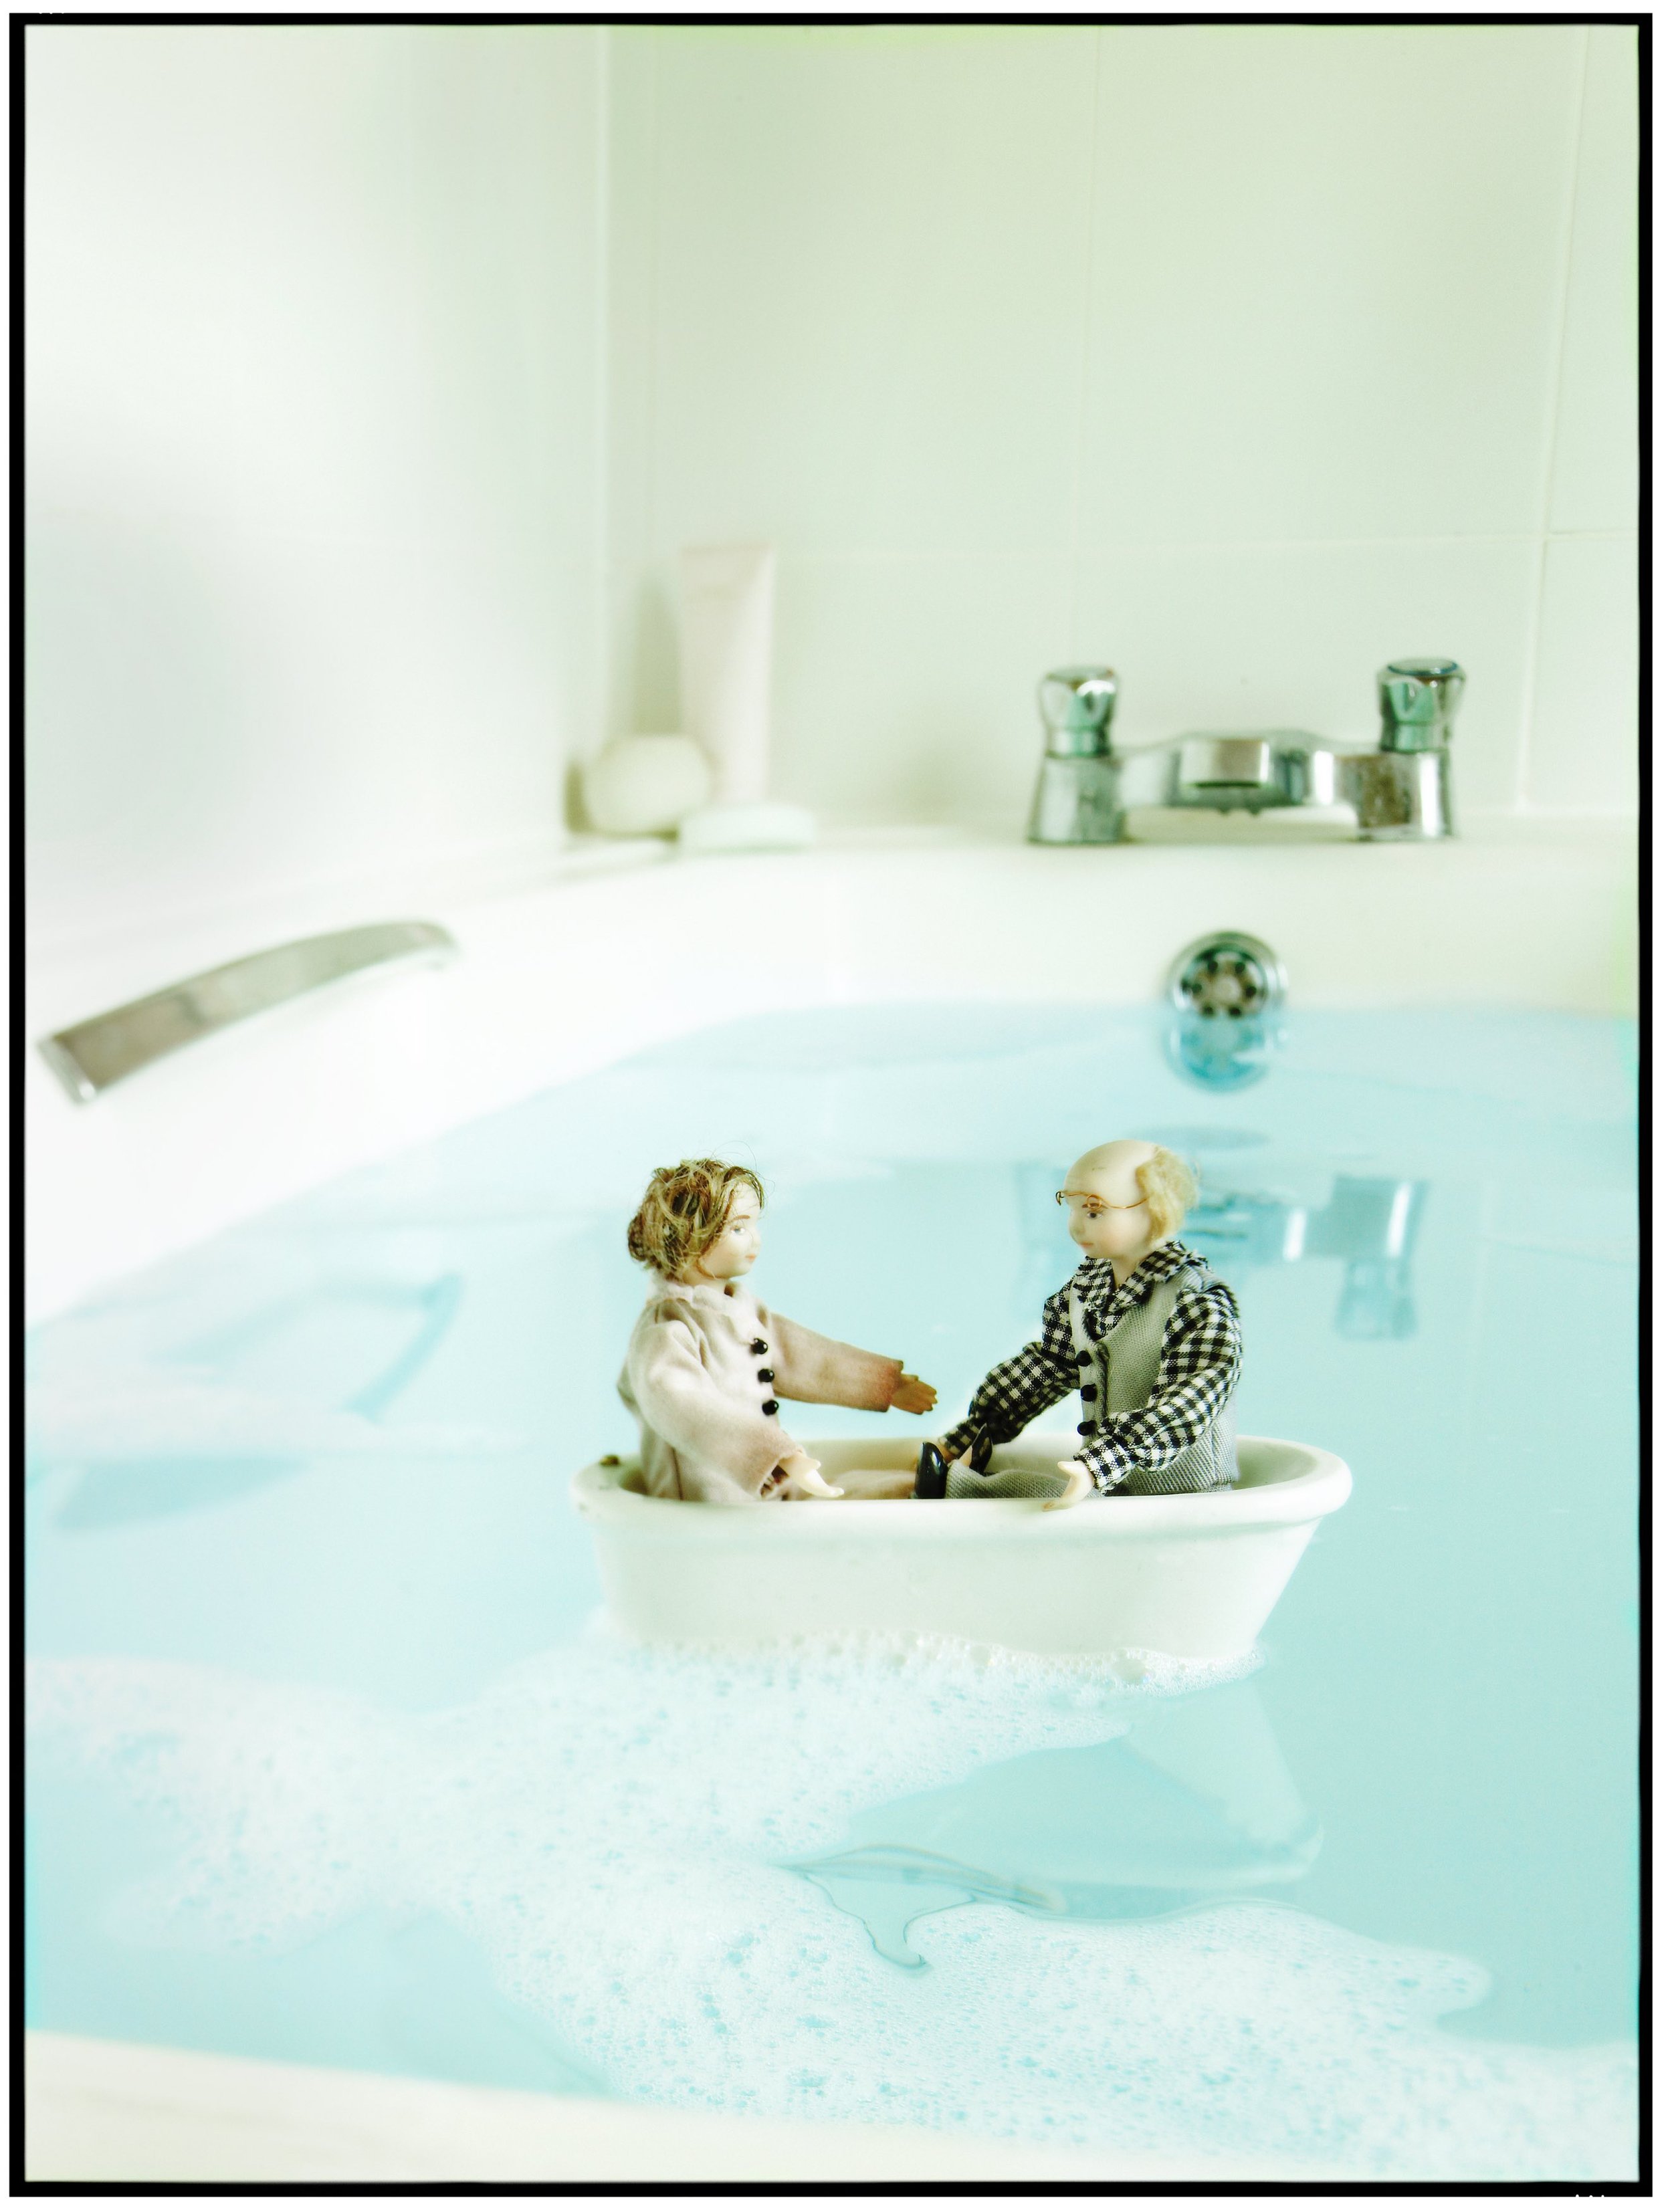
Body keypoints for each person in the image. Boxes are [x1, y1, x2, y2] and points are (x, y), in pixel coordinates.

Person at [938, 1139, 1241, 1509]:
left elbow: (1192, 1397)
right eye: (1072, 1209)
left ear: (1154, 1208)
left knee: (1021, 1498)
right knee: (1017, 1491)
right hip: (1111, 1489)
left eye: (1095, 1212)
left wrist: (1104, 1461)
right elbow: (1047, 1368)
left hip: (1187, 1496)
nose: (1076, 1227)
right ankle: (944, 1484)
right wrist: (970, 1435)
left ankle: (944, 1489)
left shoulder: (1194, 1298)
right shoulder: (1086, 1291)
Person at [619, 1158, 938, 1505]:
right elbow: (684, 1407)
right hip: (709, 1500)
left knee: (865, 1488)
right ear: (688, 1237)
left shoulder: (740, 1309)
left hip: (767, 1484)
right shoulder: (666, 1329)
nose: (755, 1240)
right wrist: (774, 1456)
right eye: (738, 1229)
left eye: (753, 1226)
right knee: (842, 1505)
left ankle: (936, 1487)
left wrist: (885, 1385)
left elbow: (803, 1357)